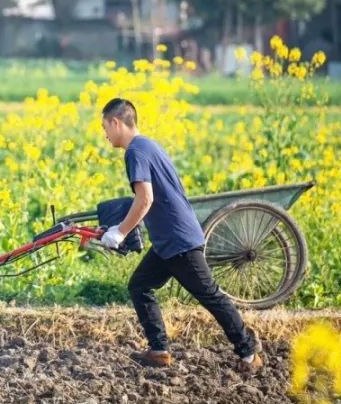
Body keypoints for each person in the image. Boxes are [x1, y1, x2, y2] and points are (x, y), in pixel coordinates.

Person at [99, 97, 262, 372]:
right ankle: (159, 350)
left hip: (178, 240)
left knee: (210, 295)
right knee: (140, 285)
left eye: (105, 127)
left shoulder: (135, 152)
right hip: (168, 241)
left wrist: (120, 232)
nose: (104, 134)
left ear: (116, 122)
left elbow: (146, 199)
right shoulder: (148, 145)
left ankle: (249, 352)